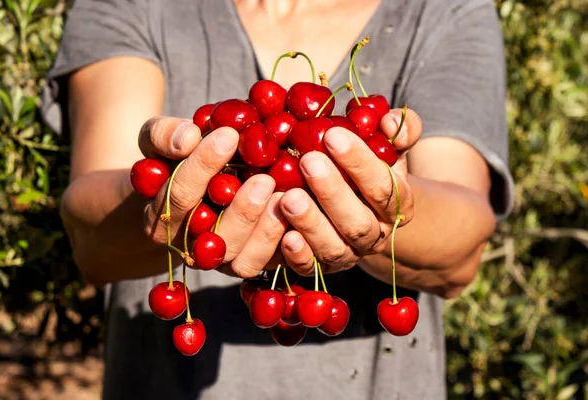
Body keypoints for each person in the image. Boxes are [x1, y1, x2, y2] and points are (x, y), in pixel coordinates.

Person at [40, 0, 515, 398]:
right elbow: (90, 235)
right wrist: (177, 194)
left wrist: (385, 204)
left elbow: (463, 246)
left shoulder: (443, 9)